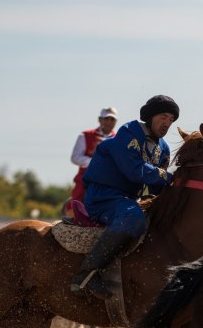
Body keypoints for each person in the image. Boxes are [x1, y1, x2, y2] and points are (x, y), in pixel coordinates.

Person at [70, 95, 178, 299]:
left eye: (171, 120)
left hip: (127, 200)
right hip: (103, 197)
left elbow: (157, 185)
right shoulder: (129, 132)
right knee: (132, 217)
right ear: (150, 116)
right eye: (163, 117)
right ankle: (86, 274)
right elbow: (134, 170)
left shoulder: (163, 148)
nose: (167, 123)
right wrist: (170, 177)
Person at [70, 107, 118, 202]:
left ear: (115, 122)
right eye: (106, 119)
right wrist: (95, 163)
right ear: (100, 120)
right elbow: (75, 157)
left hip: (110, 181)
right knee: (77, 203)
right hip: (86, 179)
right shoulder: (85, 135)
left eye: (112, 119)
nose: (109, 122)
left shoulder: (118, 139)